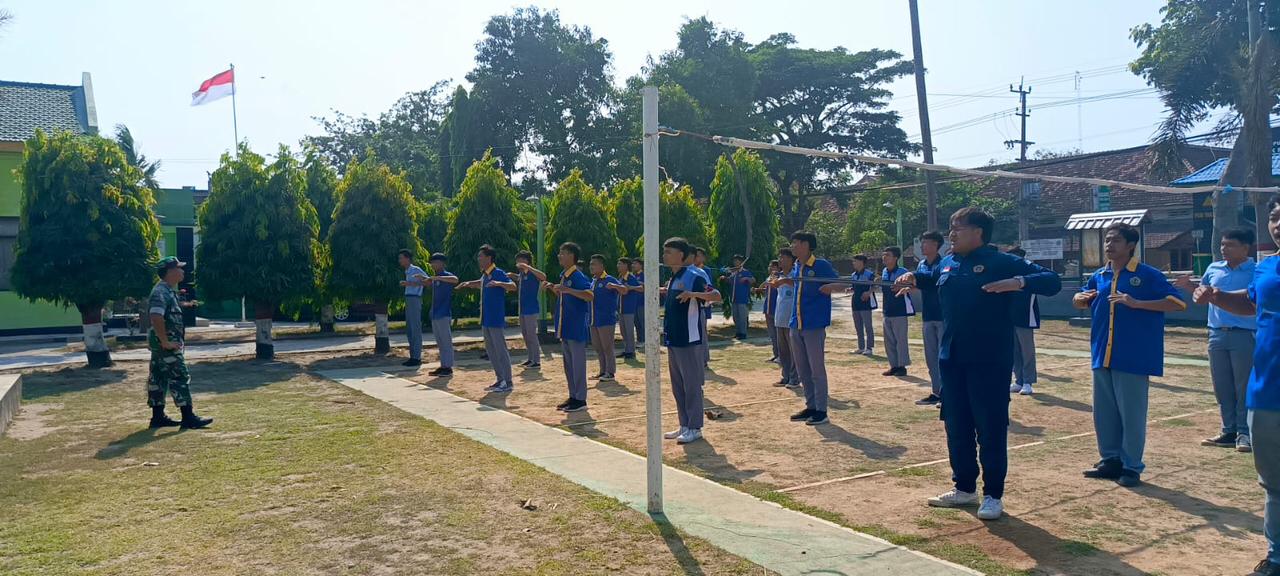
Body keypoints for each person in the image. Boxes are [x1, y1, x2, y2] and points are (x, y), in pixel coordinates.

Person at [893, 207, 1061, 521]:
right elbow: (931, 278)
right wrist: (914, 277)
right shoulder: (948, 262)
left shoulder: (1001, 261)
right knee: (956, 425)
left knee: (990, 427)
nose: (951, 234)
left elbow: (1051, 281)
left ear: (978, 232)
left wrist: (1018, 282)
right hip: (952, 358)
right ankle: (964, 488)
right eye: (951, 227)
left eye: (958, 228)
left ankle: (993, 494)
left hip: (989, 359)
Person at [1193, 197, 1280, 576]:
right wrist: (1215, 296)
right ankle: (1276, 557)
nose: (1278, 224)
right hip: (1268, 389)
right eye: (1275, 217)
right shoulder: (1268, 267)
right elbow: (1249, 303)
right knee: (1274, 482)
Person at [1073, 222, 1186, 488]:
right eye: (1107, 240)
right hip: (1102, 352)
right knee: (1104, 412)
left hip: (1133, 355)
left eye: (1115, 240)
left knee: (1132, 415)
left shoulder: (1147, 275)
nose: (1109, 245)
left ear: (1131, 245)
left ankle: (1132, 466)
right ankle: (1110, 459)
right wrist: (1079, 298)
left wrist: (1137, 303)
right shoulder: (1100, 275)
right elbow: (1082, 296)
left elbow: (1178, 303)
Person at [1175, 228, 1257, 452]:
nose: (1224, 249)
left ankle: (1244, 433)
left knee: (1243, 386)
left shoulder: (1256, 271)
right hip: (1216, 334)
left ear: (1245, 248)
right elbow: (1203, 295)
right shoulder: (1213, 268)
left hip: (1244, 334)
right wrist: (1190, 288)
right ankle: (1228, 430)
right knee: (1222, 386)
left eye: (1230, 245)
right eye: (1222, 244)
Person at [660, 237, 721, 444]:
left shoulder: (694, 275)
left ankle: (695, 427)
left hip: (689, 339)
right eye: (664, 251)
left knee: (691, 385)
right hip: (673, 339)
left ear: (681, 255)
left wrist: (693, 294)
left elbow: (716, 295)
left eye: (669, 252)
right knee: (678, 386)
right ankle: (684, 425)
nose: (664, 255)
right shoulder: (673, 277)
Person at [146, 257, 212, 430]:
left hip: (162, 344)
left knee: (158, 378)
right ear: (170, 271)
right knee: (180, 376)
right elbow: (156, 316)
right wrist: (165, 341)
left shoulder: (167, 290)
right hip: (167, 345)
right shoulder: (161, 291)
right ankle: (188, 418)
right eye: (179, 268)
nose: (182, 271)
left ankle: (158, 417)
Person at [781, 231, 840, 425]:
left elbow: (841, 283)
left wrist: (831, 287)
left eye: (796, 243)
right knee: (803, 369)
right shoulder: (797, 266)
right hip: (796, 323)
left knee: (816, 369)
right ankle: (811, 406)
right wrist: (784, 281)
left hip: (814, 324)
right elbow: (799, 286)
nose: (792, 246)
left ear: (806, 245)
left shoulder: (820, 265)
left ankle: (821, 411)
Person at [458, 245, 517, 394]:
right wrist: (469, 284)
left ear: (489, 258)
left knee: (500, 350)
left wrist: (499, 283)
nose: (478, 259)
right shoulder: (485, 275)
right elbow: (481, 283)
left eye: (481, 256)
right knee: (491, 351)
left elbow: (513, 286)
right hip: (486, 318)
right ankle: (500, 379)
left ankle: (508, 381)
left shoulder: (498, 273)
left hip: (495, 318)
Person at [546, 242, 594, 412]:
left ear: (572, 256)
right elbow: (566, 296)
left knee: (578, 365)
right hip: (565, 327)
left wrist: (567, 290)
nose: (559, 256)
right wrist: (554, 288)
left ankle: (580, 399)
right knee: (569, 366)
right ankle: (573, 396)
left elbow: (589, 295)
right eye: (560, 252)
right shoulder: (564, 276)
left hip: (576, 327)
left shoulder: (577, 276)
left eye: (563, 253)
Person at [1007, 246, 1041, 397]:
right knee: (1014, 350)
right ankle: (1019, 380)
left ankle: (1028, 381)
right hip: (1010, 318)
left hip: (1026, 317)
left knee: (1027, 351)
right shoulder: (1008, 274)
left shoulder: (1030, 274)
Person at [917, 232, 945, 405]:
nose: (922, 246)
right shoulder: (921, 264)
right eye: (922, 242)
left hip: (942, 317)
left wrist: (915, 278)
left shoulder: (944, 264)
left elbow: (933, 280)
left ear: (936, 245)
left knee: (943, 358)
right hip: (927, 316)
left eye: (925, 242)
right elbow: (921, 284)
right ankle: (936, 392)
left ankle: (947, 394)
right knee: (931, 357)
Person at [768, 249, 800, 389]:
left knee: (793, 351)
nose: (780, 260)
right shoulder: (778, 276)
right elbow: (771, 284)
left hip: (791, 319)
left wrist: (784, 280)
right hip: (779, 318)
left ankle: (795, 378)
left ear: (791, 260)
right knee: (783, 351)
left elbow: (796, 284)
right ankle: (785, 376)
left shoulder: (796, 274)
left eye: (783, 257)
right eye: (779, 257)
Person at [880, 246, 914, 377]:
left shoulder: (903, 272)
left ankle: (902, 366)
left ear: (895, 258)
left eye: (887, 255)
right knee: (889, 341)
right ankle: (893, 365)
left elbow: (911, 286)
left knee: (900, 340)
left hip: (899, 311)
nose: (884, 257)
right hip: (887, 310)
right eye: (884, 254)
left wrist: (902, 286)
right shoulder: (884, 271)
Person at [589, 254, 622, 382]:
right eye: (590, 264)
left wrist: (614, 286)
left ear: (601, 266)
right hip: (594, 319)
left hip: (606, 319)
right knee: (598, 347)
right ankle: (602, 371)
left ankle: (610, 372)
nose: (591, 266)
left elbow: (624, 290)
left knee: (607, 346)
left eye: (594, 264)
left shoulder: (609, 279)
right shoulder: (593, 281)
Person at [424, 253, 458, 376]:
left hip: (444, 313)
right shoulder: (434, 278)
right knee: (440, 342)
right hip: (435, 313)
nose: (433, 265)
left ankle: (448, 367)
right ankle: (443, 365)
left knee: (446, 341)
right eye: (432, 262)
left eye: (436, 262)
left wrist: (439, 278)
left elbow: (455, 280)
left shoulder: (446, 275)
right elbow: (426, 283)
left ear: (442, 263)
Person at [514, 250, 545, 369]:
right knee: (525, 335)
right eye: (517, 260)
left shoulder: (532, 273)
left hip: (531, 309)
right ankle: (530, 358)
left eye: (521, 260)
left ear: (527, 261)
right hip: (522, 309)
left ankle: (536, 361)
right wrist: (512, 275)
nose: (518, 263)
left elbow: (543, 276)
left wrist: (529, 267)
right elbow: (519, 279)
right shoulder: (522, 274)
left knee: (531, 335)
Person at [398, 249, 428, 367]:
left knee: (415, 328)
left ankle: (417, 357)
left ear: (407, 258)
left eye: (401, 258)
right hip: (409, 298)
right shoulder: (407, 271)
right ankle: (413, 356)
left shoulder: (416, 269)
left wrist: (410, 284)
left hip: (415, 298)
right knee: (410, 329)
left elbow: (428, 281)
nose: (400, 260)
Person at [720, 254, 755, 340]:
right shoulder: (733, 273)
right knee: (736, 317)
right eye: (734, 261)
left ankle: (743, 333)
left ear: (741, 262)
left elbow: (753, 280)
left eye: (737, 261)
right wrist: (724, 278)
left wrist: (746, 278)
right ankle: (738, 332)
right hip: (734, 298)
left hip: (742, 299)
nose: (735, 262)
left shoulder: (745, 272)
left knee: (742, 317)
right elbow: (730, 281)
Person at [849, 255, 877, 356]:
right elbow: (853, 286)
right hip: (855, 303)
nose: (853, 263)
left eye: (855, 261)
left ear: (861, 262)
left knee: (868, 326)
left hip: (865, 303)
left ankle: (869, 348)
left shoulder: (869, 274)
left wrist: (868, 292)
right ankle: (861, 347)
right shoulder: (853, 275)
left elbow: (875, 286)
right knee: (858, 326)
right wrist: (850, 289)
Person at [694, 247, 717, 367]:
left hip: (702, 306)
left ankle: (703, 360)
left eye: (698, 255)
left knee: (702, 333)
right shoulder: (688, 269)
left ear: (703, 257)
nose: (695, 258)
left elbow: (709, 289)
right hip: (691, 308)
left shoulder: (705, 271)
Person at [616, 257, 640, 359]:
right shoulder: (620, 278)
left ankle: (631, 351)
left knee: (629, 331)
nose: (618, 266)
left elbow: (641, 288)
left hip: (629, 308)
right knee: (623, 331)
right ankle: (627, 350)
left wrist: (631, 287)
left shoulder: (631, 277)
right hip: (621, 308)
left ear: (626, 265)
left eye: (620, 264)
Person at [760, 260, 781, 362]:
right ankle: (776, 354)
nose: (771, 268)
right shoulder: (769, 278)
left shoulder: (780, 278)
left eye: (773, 267)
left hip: (776, 309)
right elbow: (765, 288)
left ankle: (781, 355)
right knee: (772, 335)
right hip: (768, 309)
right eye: (770, 266)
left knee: (778, 335)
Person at [629, 258, 646, 345]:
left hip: (642, 303)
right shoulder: (633, 276)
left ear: (641, 265)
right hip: (634, 303)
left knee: (643, 322)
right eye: (633, 263)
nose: (633, 265)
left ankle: (645, 340)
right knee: (636, 322)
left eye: (635, 263)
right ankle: (640, 340)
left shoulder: (644, 275)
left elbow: (646, 287)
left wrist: (635, 286)